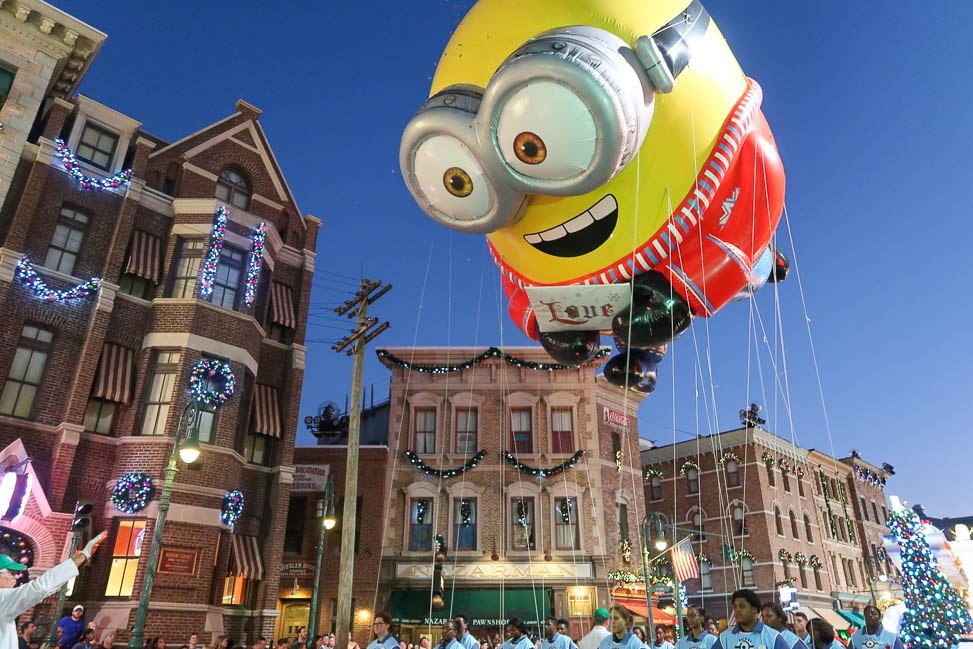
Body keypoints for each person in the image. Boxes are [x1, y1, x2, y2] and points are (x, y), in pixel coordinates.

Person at [0, 531, 105, 649]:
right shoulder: (3, 598)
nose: (16, 577)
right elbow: (42, 586)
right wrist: (84, 555)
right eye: (12, 572)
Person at [716, 590, 788, 649]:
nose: (737, 610)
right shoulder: (724, 638)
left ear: (754, 610)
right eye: (735, 607)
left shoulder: (773, 637)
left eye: (742, 606)